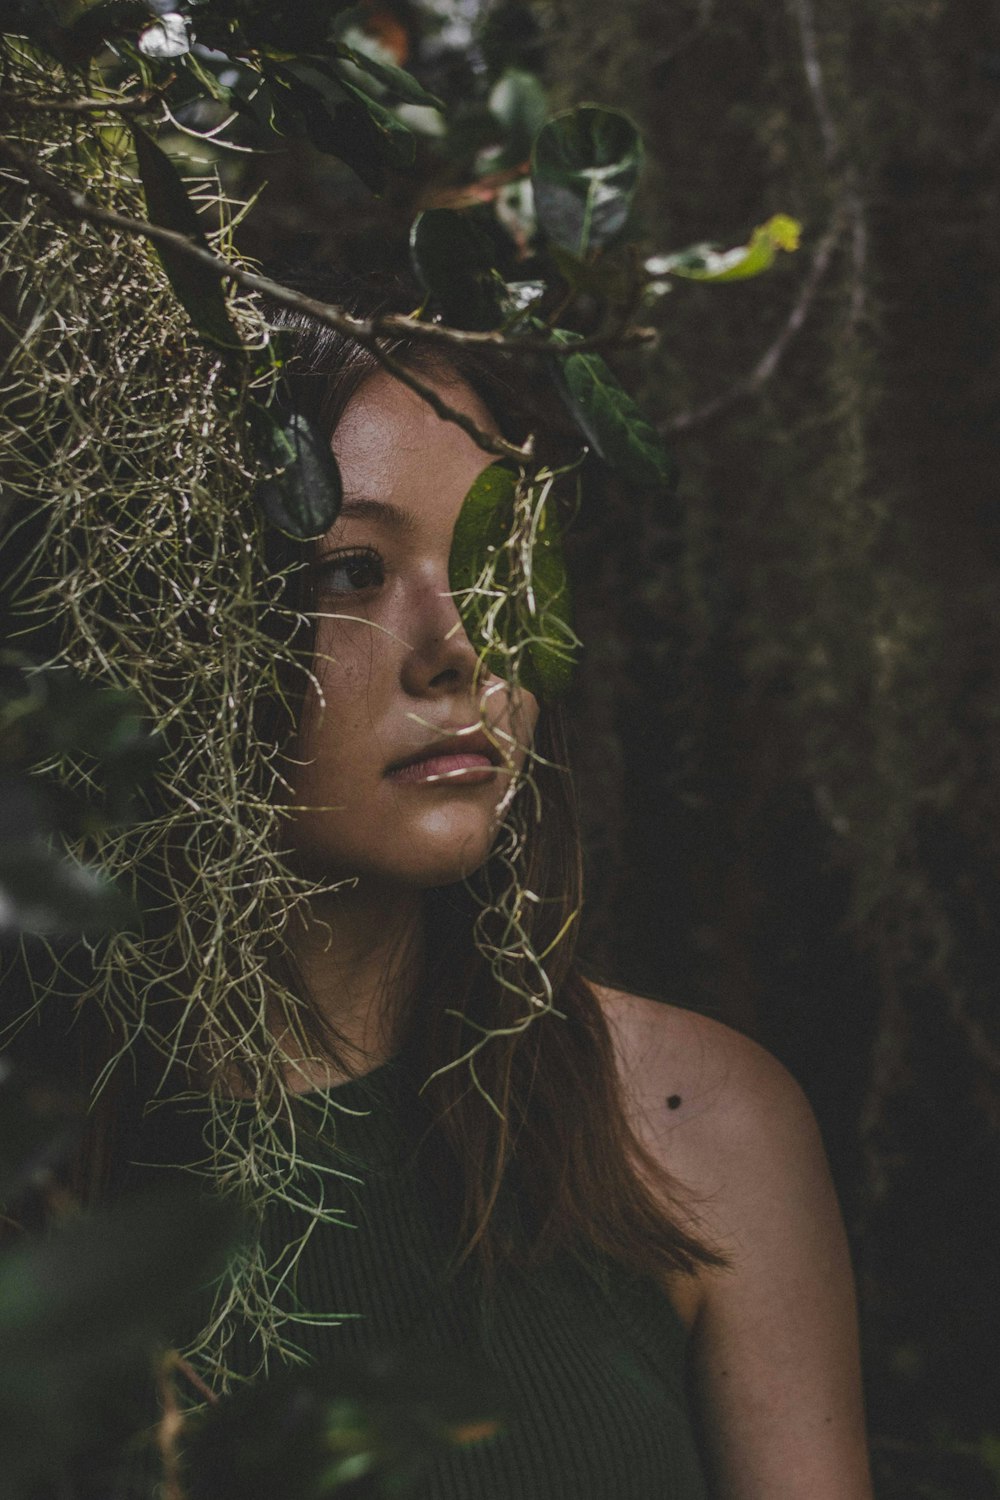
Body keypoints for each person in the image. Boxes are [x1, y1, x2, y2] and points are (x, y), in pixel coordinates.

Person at [10, 274, 876, 1499]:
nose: (458, 642)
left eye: (494, 556)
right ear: (159, 634)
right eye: (349, 571)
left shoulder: (693, 1129)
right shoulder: (43, 1176)